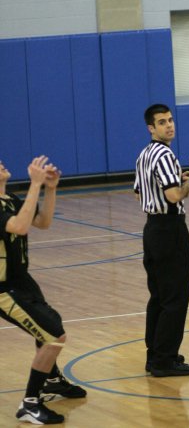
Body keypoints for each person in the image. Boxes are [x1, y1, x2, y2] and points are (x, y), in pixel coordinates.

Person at [0, 156, 86, 425]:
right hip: (3, 291)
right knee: (53, 335)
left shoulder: (11, 198)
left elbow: (43, 222)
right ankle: (29, 404)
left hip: (22, 281)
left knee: (50, 325)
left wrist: (50, 188)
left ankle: (51, 379)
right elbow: (19, 226)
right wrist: (35, 183)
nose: (2, 163)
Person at [134, 104, 189, 377]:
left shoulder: (144, 154)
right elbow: (173, 196)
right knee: (176, 297)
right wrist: (185, 187)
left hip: (152, 229)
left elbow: (139, 193)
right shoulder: (164, 154)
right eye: (162, 122)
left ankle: (156, 355)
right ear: (151, 128)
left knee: (159, 296)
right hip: (170, 229)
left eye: (170, 120)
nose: (169, 125)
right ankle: (165, 360)